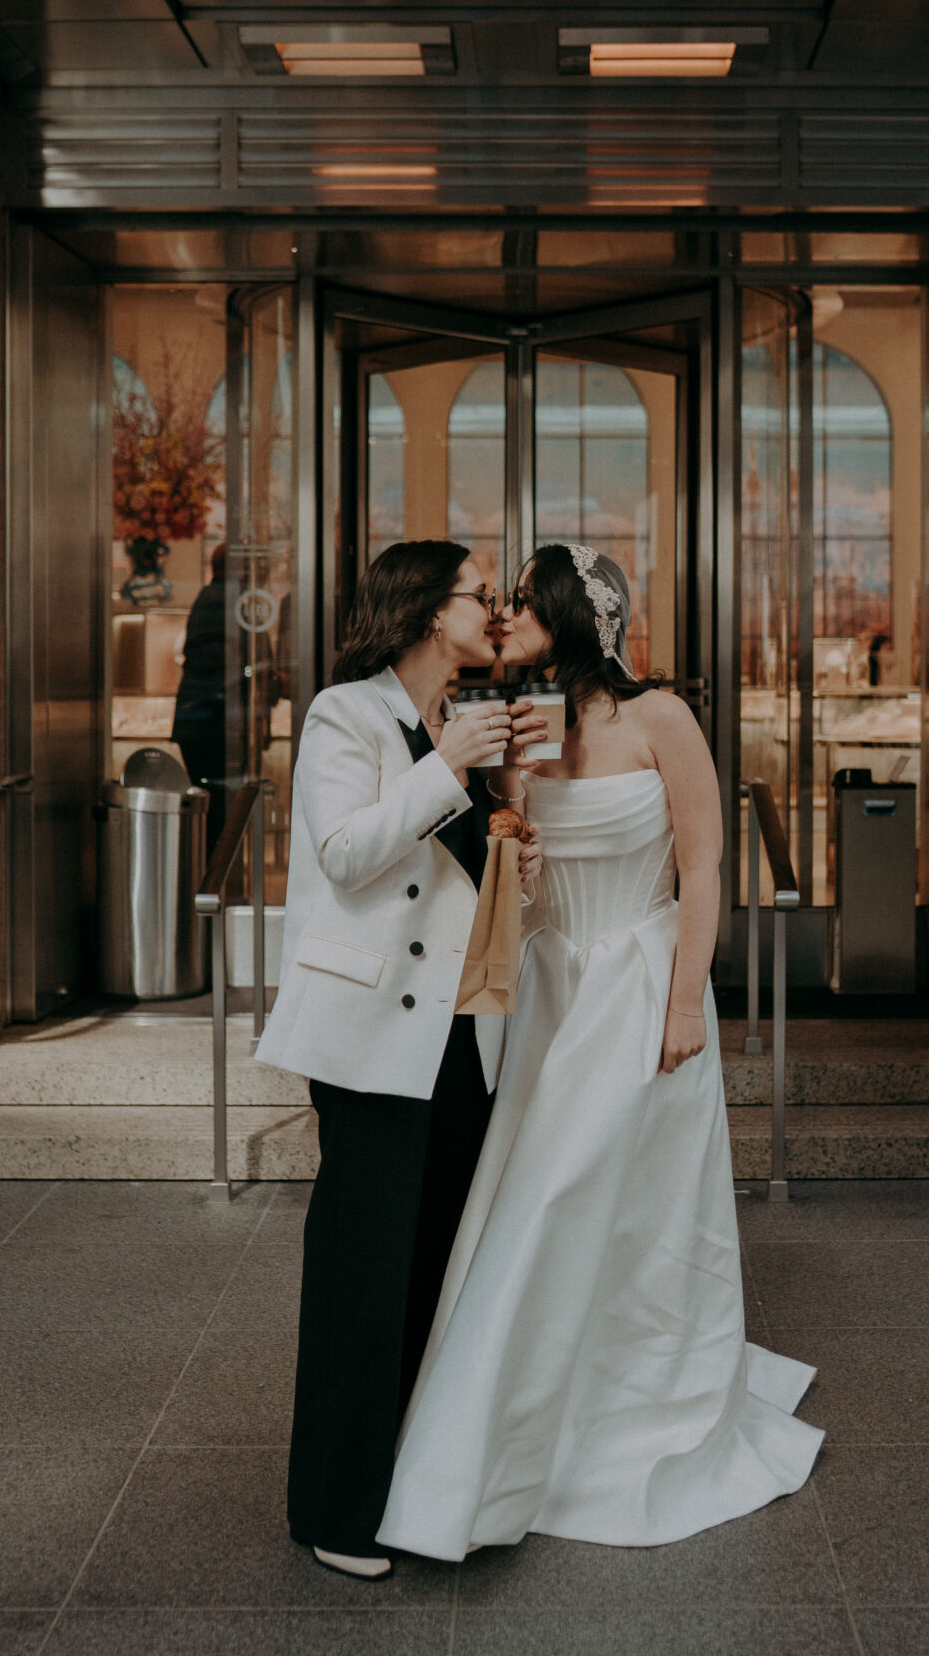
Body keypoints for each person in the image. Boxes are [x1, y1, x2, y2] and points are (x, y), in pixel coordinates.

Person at [379, 541, 822, 1560]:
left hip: (639, 984)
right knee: (543, 1194)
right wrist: (517, 809)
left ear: (579, 612)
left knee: (619, 1204)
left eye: (527, 600)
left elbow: (704, 869)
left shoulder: (662, 716)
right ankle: (522, 1412)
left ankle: (625, 1407)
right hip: (551, 991)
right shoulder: (527, 725)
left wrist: (683, 1006)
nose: (508, 613)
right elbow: (524, 885)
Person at [254, 540, 544, 1579]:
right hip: (373, 1033)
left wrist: (505, 830)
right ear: (429, 611)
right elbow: (346, 852)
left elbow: (448, 875)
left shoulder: (447, 725)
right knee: (361, 1269)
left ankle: (409, 1484)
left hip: (459, 1036)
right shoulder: (347, 711)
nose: (496, 609)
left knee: (432, 1261)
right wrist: (450, 764)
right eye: (482, 594)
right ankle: (335, 1505)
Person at [173, 544, 230, 855]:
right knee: (217, 811)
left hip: (198, 720)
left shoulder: (209, 597)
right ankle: (214, 882)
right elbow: (220, 663)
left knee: (213, 808)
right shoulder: (222, 601)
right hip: (208, 721)